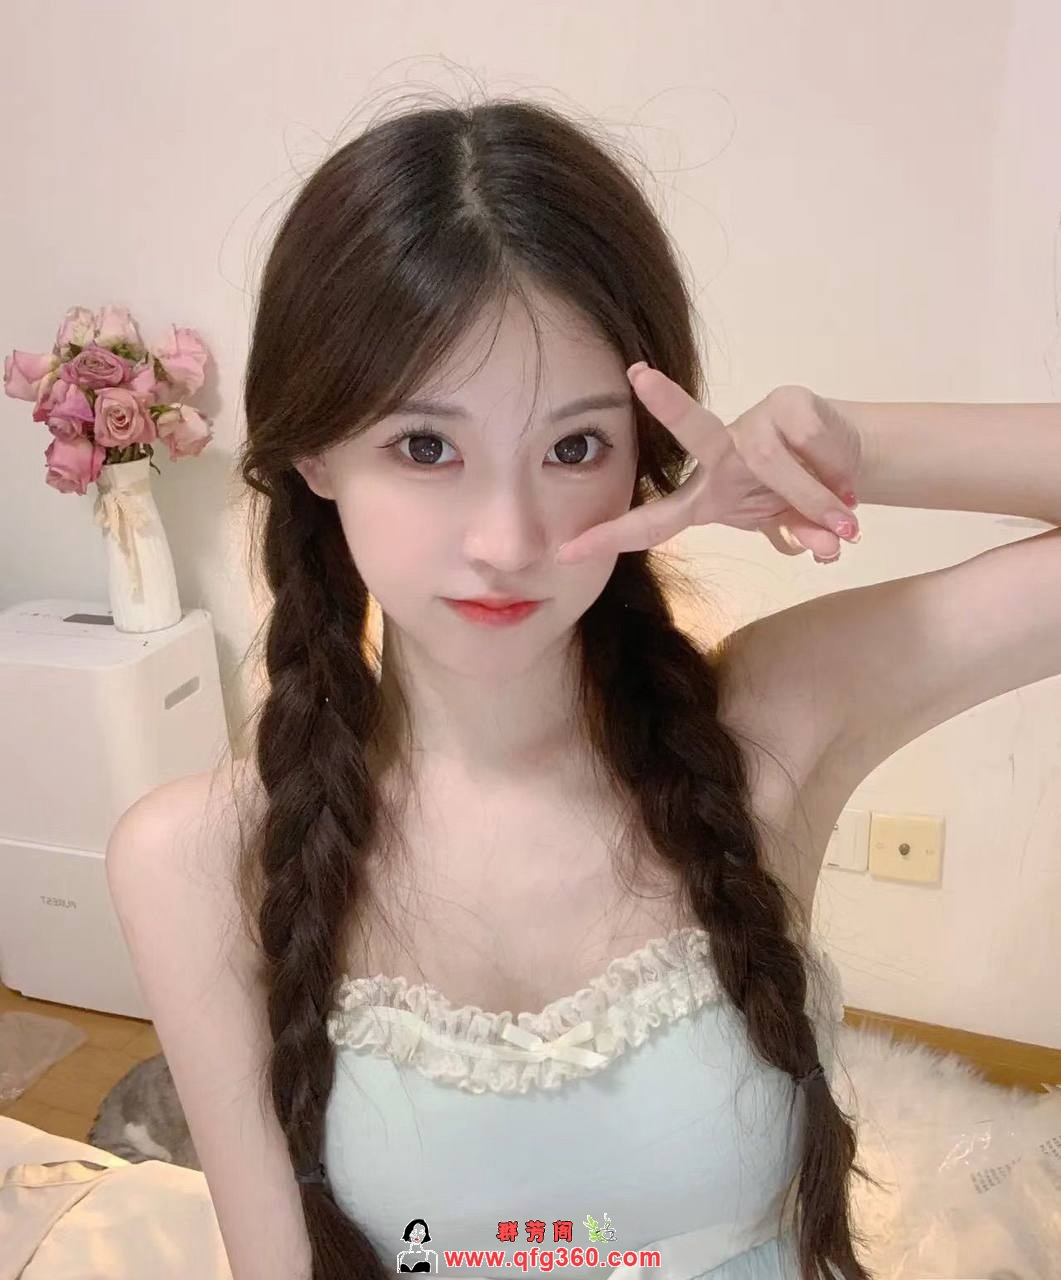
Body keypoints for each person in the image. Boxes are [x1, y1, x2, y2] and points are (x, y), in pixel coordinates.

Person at [105, 92, 1061, 1280]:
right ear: (314, 452)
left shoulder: (768, 722)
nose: (508, 539)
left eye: (572, 446)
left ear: (645, 456)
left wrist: (853, 446)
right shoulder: (198, 858)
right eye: (425, 445)